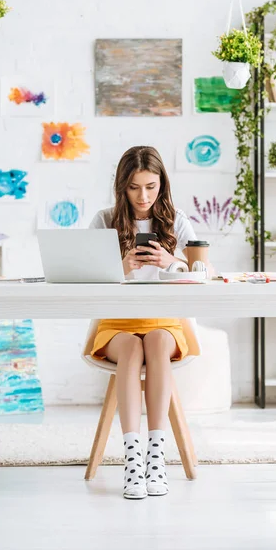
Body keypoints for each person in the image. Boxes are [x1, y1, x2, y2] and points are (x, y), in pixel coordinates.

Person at [89, 145, 200, 500]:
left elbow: (202, 273)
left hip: (165, 321)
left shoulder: (176, 220)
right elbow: (83, 277)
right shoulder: (104, 220)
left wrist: (172, 261)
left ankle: (156, 456)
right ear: (122, 186)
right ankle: (133, 459)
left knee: (153, 342)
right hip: (116, 322)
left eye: (151, 186)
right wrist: (120, 267)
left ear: (162, 184)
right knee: (133, 347)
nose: (143, 196)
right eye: (135, 187)